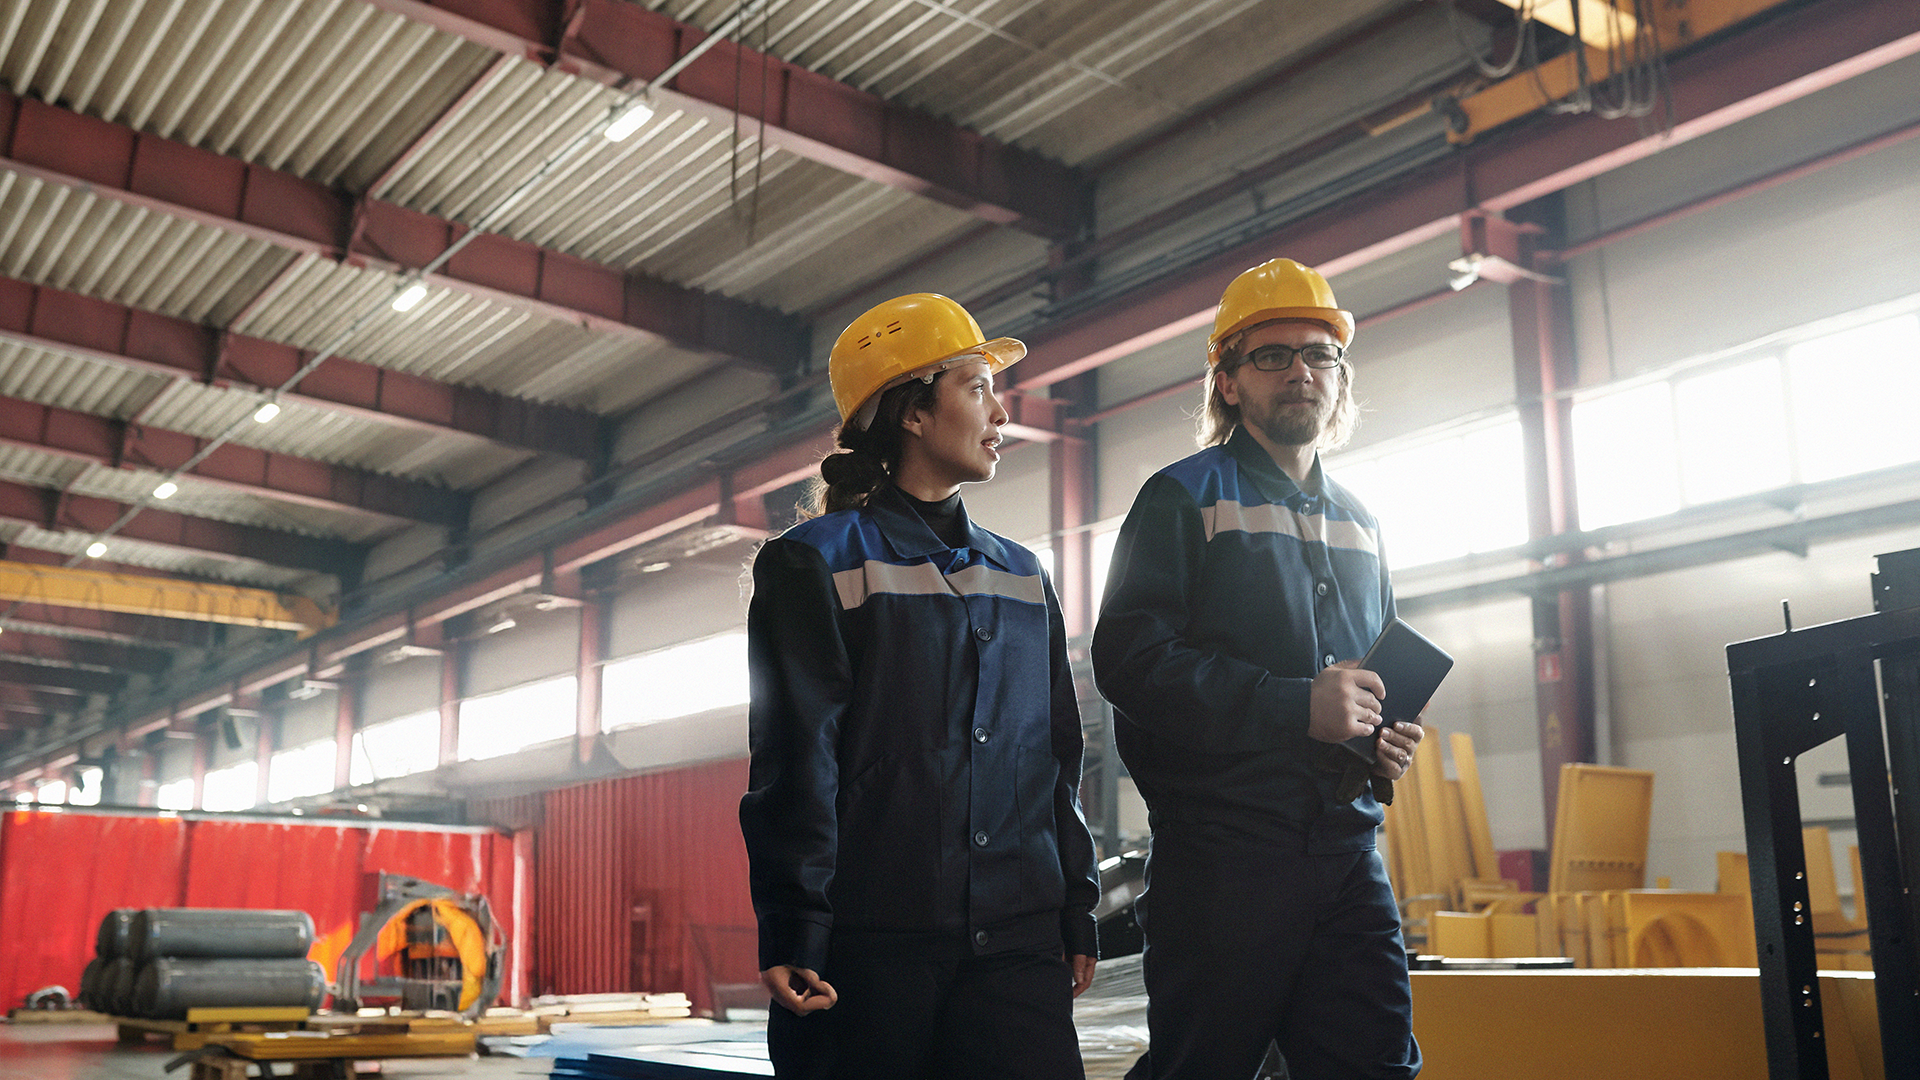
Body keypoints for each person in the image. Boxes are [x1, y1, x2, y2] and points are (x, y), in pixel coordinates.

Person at [739, 293, 1100, 1080]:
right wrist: (796, 925)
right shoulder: (817, 563)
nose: (1000, 411)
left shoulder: (1020, 573)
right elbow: (800, 758)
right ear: (911, 411)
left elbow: (1055, 756)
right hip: (872, 954)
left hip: (1015, 949)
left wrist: (1075, 906)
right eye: (976, 386)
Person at [1091, 259, 1424, 1079]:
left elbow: (1368, 676)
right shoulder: (1180, 499)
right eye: (1272, 356)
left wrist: (1379, 743)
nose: (1301, 372)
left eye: (1319, 354)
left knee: (1376, 1066)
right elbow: (1129, 662)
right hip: (1223, 863)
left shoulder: (1363, 523)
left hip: (1346, 850)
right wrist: (1293, 707)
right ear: (1228, 382)